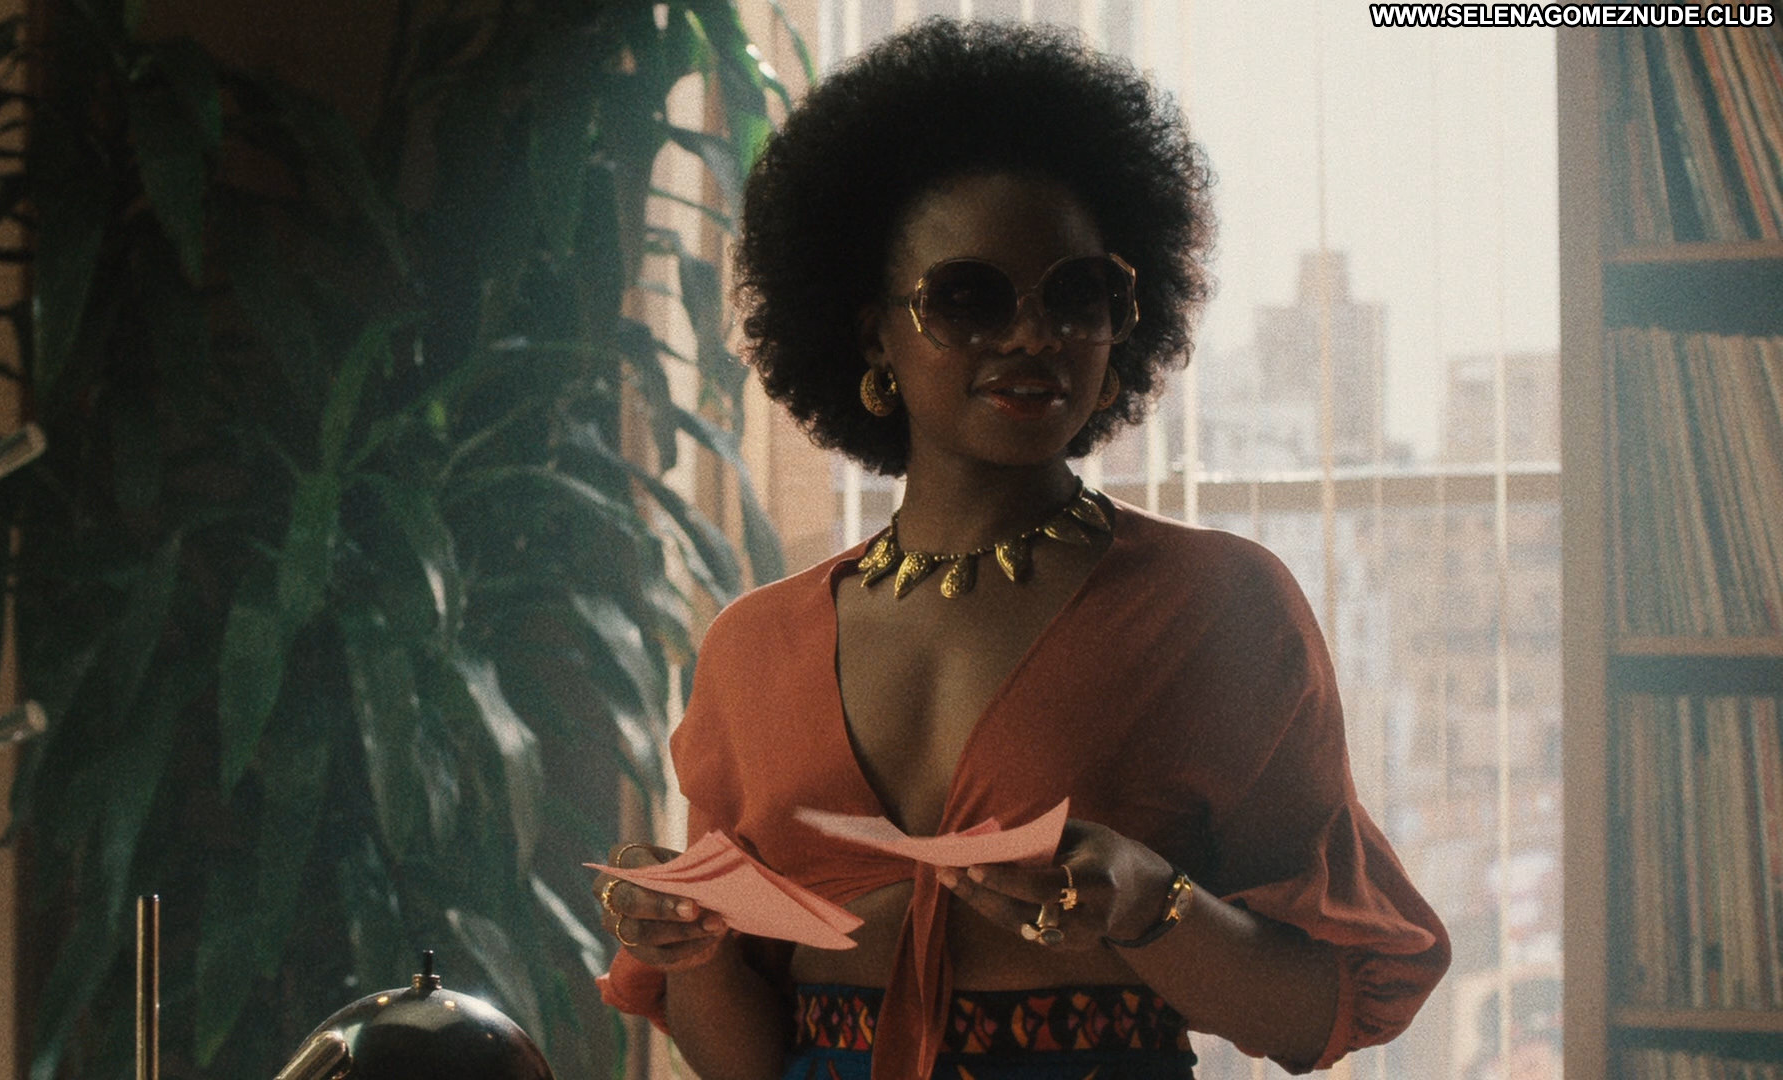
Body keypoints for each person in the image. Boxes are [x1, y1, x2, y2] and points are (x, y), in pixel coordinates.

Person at [590, 18, 1449, 1080]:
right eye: (969, 297)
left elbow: (1321, 1008)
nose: (1035, 334)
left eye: (1078, 295)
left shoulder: (1218, 605)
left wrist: (1150, 901)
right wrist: (688, 944)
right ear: (871, 334)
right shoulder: (752, 649)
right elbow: (748, 1064)